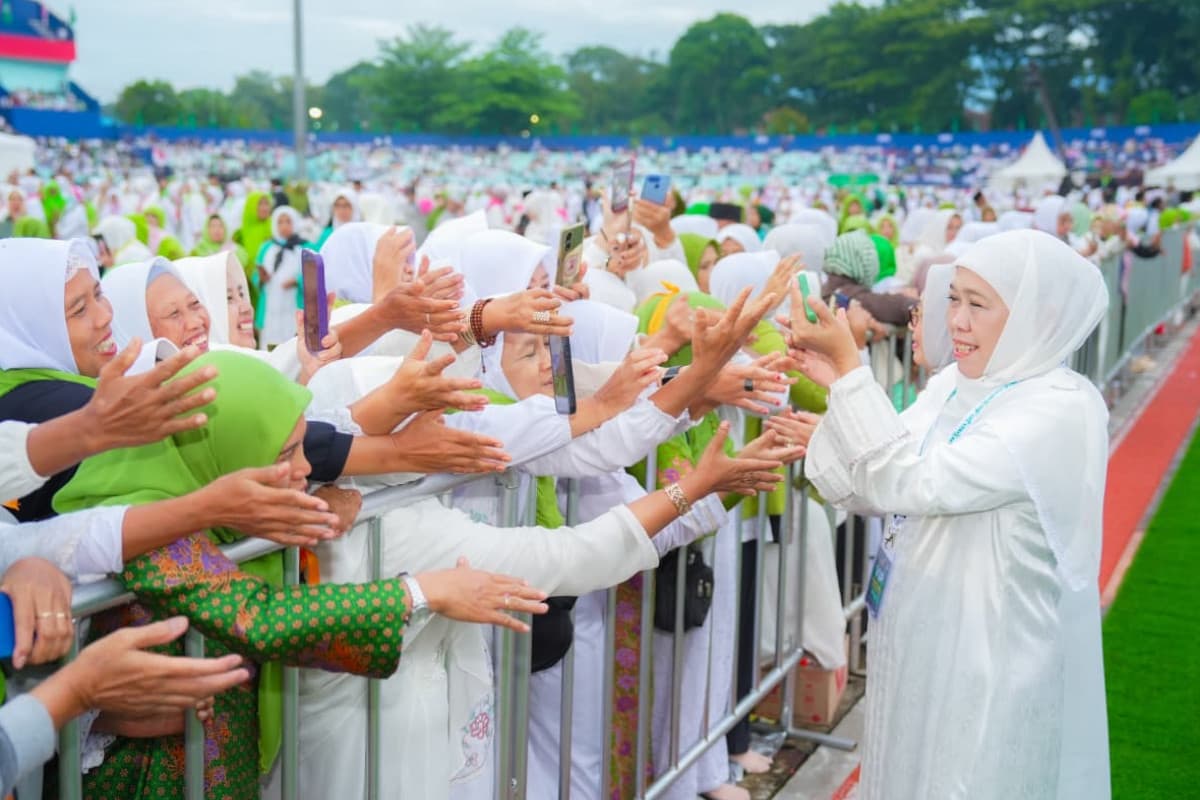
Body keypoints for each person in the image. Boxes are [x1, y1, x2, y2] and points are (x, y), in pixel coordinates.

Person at [788, 229, 1111, 800]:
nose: (956, 321)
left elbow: (912, 480)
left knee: (968, 778)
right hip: (922, 632)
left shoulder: (1060, 407)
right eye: (953, 298)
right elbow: (869, 487)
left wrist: (850, 377)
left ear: (1039, 314)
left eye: (978, 305)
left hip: (989, 651)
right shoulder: (955, 387)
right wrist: (840, 404)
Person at [253, 206, 309, 349]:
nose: (284, 226)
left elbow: (313, 276)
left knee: (291, 345)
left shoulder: (303, 248)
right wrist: (261, 278)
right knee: (269, 344)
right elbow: (256, 277)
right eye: (280, 222)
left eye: (288, 222)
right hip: (270, 306)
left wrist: (297, 281)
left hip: (293, 304)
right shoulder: (266, 248)